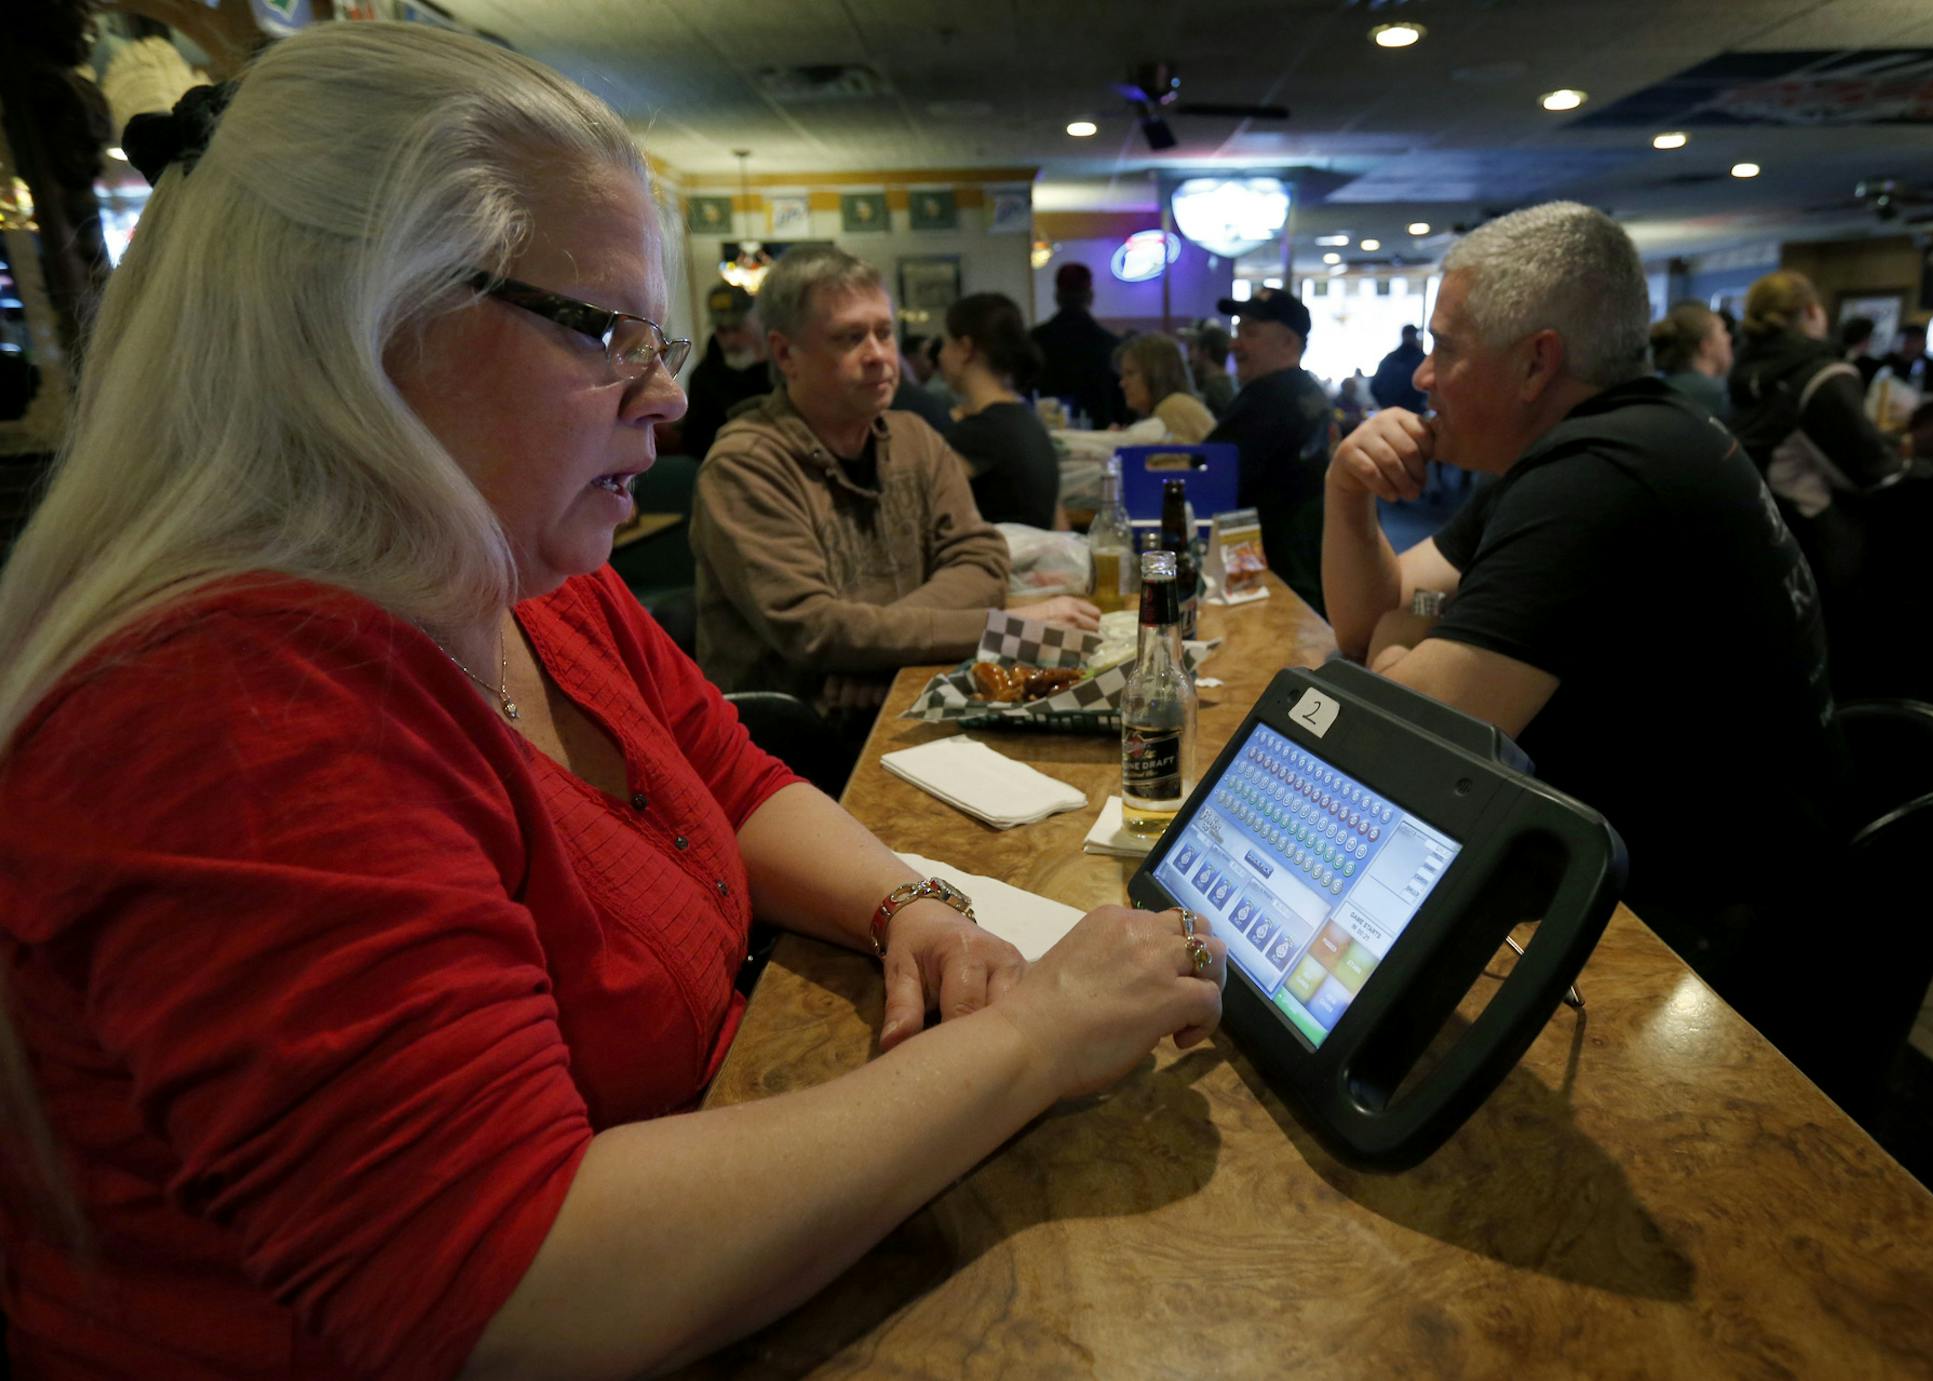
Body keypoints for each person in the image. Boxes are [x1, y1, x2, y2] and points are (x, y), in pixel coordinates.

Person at [0, 26, 1222, 1380]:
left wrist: (907, 903)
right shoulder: (221, 705)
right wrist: (1040, 1039)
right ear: (363, 325)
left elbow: (732, 775)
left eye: (667, 335)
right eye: (606, 332)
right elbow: (515, 1289)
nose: (669, 391)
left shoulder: (523, 570)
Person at [1321, 202, 1844, 915]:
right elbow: (1369, 618)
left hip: (1707, 925)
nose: (1422, 376)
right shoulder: (1603, 440)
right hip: (1658, 854)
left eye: (1446, 348)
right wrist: (1347, 491)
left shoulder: (1600, 477)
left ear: (1536, 362)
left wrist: (1402, 638)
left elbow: (1412, 746)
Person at [694, 247, 1098, 723]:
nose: (879, 356)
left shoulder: (914, 438)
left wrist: (878, 654)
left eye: (884, 333)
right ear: (786, 354)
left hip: (901, 701)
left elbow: (982, 560)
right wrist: (1003, 631)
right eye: (850, 338)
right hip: (791, 739)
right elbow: (814, 630)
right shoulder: (745, 465)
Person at [1727, 270, 1933, 603]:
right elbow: (1876, 474)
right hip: (1818, 548)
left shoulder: (1745, 375)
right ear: (1813, 312)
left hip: (1759, 538)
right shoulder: (1822, 376)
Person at [1205, 287, 1334, 613]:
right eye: (1236, 331)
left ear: (1289, 343)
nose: (1235, 344)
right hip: (1304, 574)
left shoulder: (1268, 399)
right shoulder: (1307, 392)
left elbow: (1207, 475)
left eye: (1249, 333)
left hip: (1270, 579)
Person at [940, 291, 1062, 526]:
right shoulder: (1026, 420)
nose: (941, 355)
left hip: (999, 562)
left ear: (965, 348)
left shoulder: (978, 435)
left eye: (945, 343)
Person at [675, 281, 768, 462]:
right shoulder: (702, 378)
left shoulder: (782, 368)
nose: (731, 340)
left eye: (737, 328)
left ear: (755, 320)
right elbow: (695, 443)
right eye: (722, 330)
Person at [1030, 263, 1126, 429]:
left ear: (1057, 295)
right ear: (1090, 296)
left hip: (1046, 438)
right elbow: (1121, 407)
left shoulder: (1034, 341)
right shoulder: (1109, 344)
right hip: (1100, 440)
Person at [1116, 330, 1216, 443]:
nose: (1122, 383)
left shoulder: (1174, 409)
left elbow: (1169, 461)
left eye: (1130, 373)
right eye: (1123, 375)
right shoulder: (1169, 410)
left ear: (1157, 373)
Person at [1648, 300, 1732, 421]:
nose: (1729, 338)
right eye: (1723, 331)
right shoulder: (1720, 395)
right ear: (1706, 346)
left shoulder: (1654, 388)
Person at [1371, 324, 1427, 413]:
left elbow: (1374, 386)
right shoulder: (1421, 359)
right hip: (1414, 413)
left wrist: (1385, 406)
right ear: (1414, 336)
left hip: (1390, 412)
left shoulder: (1389, 359)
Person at [1186, 318, 1237, 415]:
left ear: (1206, 352)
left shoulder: (1211, 392)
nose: (1190, 355)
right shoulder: (1234, 384)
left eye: (1193, 347)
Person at [1888, 322, 1933, 393]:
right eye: (1908, 340)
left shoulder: (1930, 365)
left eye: (1916, 341)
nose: (1911, 345)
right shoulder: (1888, 361)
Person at [1840, 315, 1887, 388]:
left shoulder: (1835, 356)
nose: (1870, 341)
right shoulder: (1869, 366)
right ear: (1864, 338)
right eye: (1870, 337)